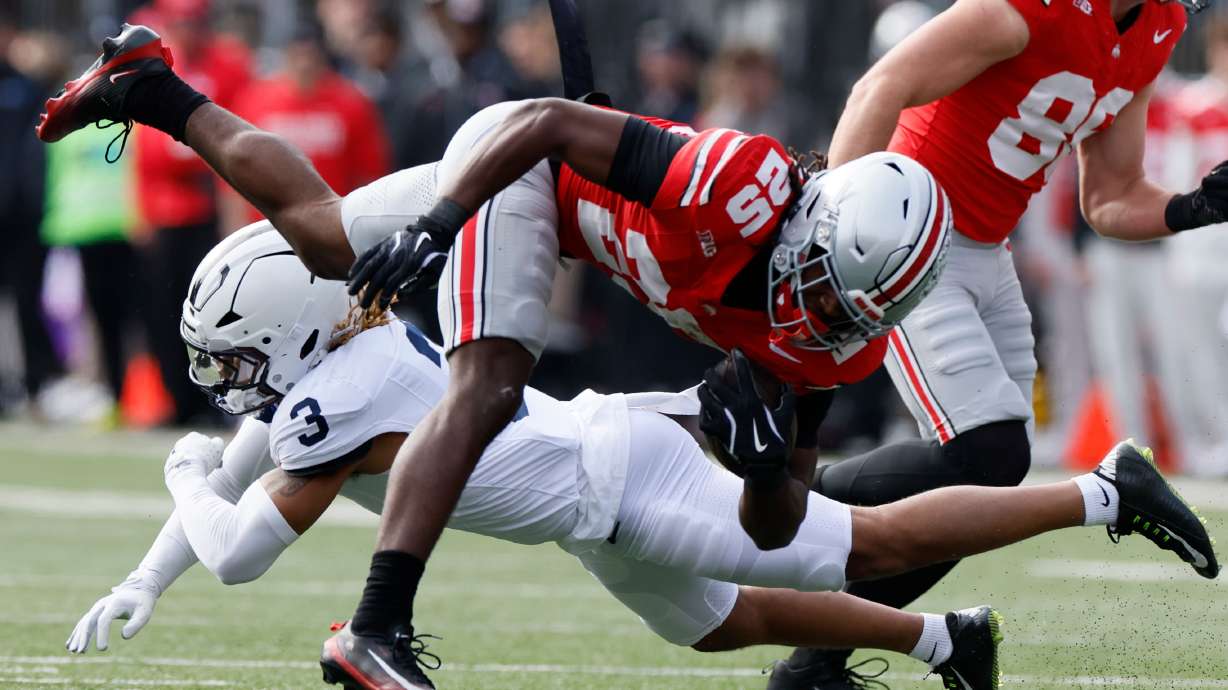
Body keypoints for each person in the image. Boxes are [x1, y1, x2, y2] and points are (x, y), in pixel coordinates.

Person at [37, 23, 962, 688]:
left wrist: (762, 466)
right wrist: (443, 224)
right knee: (479, 379)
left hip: (560, 263)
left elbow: (781, 517)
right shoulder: (736, 189)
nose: (835, 315)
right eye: (835, 289)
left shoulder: (826, 334)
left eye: (861, 310)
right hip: (518, 175)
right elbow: (557, 129)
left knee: (323, 233)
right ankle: (378, 625)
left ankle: (150, 89)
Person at [65, 224, 1217, 690]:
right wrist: (142, 577)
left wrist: (178, 478)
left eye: (233, 355)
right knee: (718, 625)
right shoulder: (336, 373)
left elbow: (238, 546)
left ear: (288, 334)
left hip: (617, 480)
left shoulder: (338, 397)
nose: (224, 379)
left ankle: (1100, 489)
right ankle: (946, 640)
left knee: (863, 543)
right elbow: (238, 468)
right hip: (594, 483)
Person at [767, 0, 1228, 687]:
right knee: (987, 449)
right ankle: (785, 499)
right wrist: (839, 222)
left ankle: (814, 653)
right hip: (912, 235)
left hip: (987, 248)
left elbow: (1111, 197)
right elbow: (881, 85)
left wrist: (1195, 207)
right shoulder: (1034, 7)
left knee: (993, 472)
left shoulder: (1156, 28)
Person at [222, 19, 389, 231]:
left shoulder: (351, 102)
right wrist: (234, 231)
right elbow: (233, 174)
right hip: (267, 228)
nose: (304, 64)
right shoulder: (255, 101)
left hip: (333, 225)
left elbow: (369, 173)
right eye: (297, 56)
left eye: (311, 56)